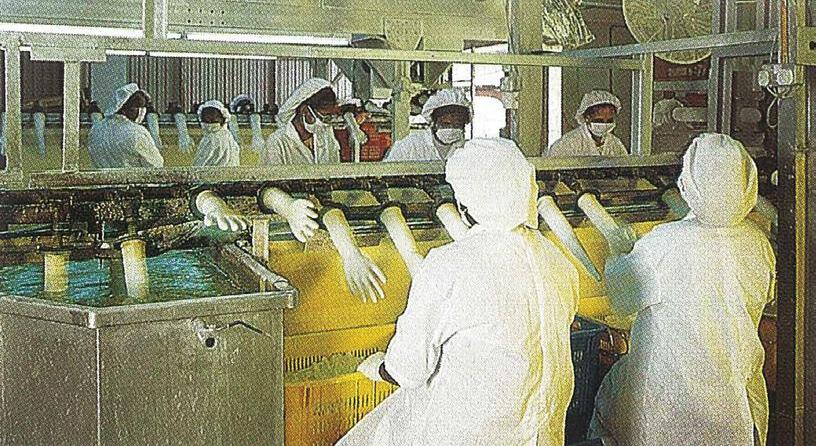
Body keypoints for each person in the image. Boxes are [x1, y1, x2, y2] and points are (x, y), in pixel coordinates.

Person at [338, 138, 580, 446]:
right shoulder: (558, 261)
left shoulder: (449, 265)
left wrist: (380, 367)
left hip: (472, 434)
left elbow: (409, 369)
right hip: (543, 434)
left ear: (464, 206)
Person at [588, 133, 776, 446]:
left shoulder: (664, 244)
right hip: (733, 402)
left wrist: (618, 251)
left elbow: (622, 299)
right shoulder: (757, 242)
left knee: (611, 397)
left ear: (689, 181)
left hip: (669, 406)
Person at [262, 78, 342, 165]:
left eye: (328, 118)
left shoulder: (327, 137)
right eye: (323, 117)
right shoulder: (277, 142)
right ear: (304, 110)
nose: (324, 124)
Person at [384, 88, 472, 162]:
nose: (451, 129)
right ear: (433, 122)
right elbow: (388, 172)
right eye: (445, 124)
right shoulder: (409, 146)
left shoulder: (467, 150)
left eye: (457, 125)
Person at [88, 83, 164, 168]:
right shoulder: (137, 132)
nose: (142, 111)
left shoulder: (96, 130)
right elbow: (155, 165)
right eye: (138, 106)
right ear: (124, 108)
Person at [546, 90, 627, 157]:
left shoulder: (615, 143)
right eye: (599, 121)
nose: (604, 125)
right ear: (587, 118)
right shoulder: (567, 144)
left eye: (609, 121)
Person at [193, 100, 241, 167]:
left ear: (222, 118)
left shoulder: (214, 138)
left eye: (213, 117)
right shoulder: (229, 136)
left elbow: (200, 164)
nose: (209, 121)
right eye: (206, 118)